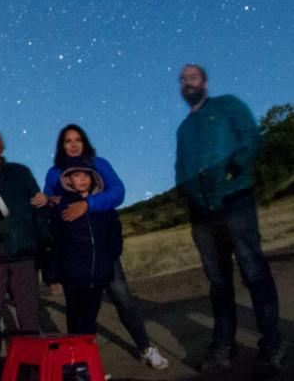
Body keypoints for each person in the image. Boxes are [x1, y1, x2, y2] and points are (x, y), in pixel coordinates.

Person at [175, 64, 283, 379]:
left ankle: (271, 345)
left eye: (192, 77)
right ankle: (224, 344)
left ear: (205, 81)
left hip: (235, 201)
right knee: (218, 283)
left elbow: (250, 137)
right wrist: (188, 192)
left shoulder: (227, 106)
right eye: (182, 80)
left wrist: (233, 169)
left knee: (254, 273)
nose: (186, 83)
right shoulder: (183, 128)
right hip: (201, 214)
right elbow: (181, 168)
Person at [32, 124, 169, 370]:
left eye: (77, 140)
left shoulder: (99, 164)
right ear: (61, 146)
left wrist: (89, 205)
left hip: (103, 251)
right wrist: (47, 201)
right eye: (67, 141)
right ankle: (84, 364)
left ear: (84, 142)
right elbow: (53, 208)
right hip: (77, 256)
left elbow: (118, 192)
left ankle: (145, 348)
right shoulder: (55, 173)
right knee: (81, 311)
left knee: (123, 299)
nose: (73, 145)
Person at [0, 129, 48, 381]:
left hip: (22, 252)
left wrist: (43, 244)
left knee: (28, 315)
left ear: (3, 146)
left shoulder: (21, 172)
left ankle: (32, 368)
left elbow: (38, 206)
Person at [47, 157, 123, 336]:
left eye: (86, 175)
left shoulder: (103, 206)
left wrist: (110, 256)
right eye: (76, 175)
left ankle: (88, 354)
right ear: (68, 180)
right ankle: (75, 357)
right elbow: (53, 240)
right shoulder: (61, 206)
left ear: (93, 178)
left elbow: (115, 233)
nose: (82, 179)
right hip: (72, 275)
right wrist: (53, 273)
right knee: (74, 317)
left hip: (98, 273)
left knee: (90, 318)